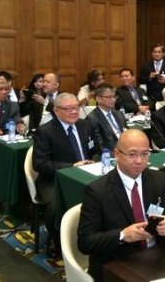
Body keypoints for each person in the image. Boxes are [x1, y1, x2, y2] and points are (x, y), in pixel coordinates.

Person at [78, 129, 165, 282]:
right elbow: (85, 242)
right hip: (119, 261)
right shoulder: (97, 191)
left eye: (145, 154)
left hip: (156, 256)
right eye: (132, 154)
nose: (139, 161)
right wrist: (123, 235)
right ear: (117, 154)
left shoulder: (157, 179)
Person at [33, 93, 99, 257]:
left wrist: (95, 161)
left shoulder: (85, 125)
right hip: (55, 179)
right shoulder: (45, 131)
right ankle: (57, 241)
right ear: (56, 110)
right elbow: (40, 164)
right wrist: (71, 167)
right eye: (68, 109)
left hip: (88, 174)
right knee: (55, 207)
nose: (74, 112)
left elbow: (97, 150)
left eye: (76, 107)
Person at [86, 83, 127, 151]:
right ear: (98, 99)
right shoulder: (92, 118)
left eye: (114, 96)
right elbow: (100, 146)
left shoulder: (119, 114)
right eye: (109, 97)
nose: (113, 100)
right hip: (111, 155)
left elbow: (126, 134)